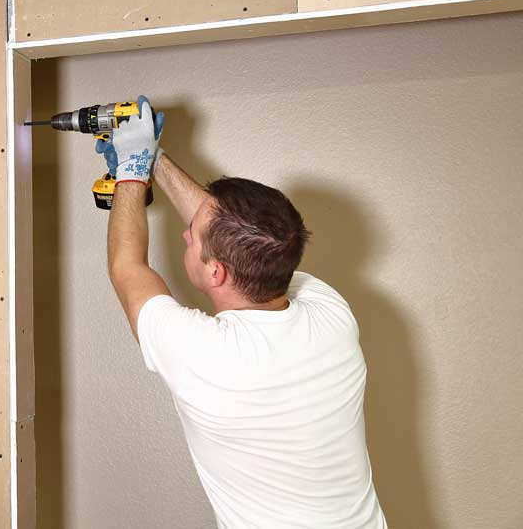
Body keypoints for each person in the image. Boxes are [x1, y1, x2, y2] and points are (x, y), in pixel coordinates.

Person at [97, 96, 387, 528]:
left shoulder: (206, 355)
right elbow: (237, 233)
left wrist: (130, 174)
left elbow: (127, 267)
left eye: (191, 238)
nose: (184, 234)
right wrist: (153, 159)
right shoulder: (331, 314)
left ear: (216, 271)